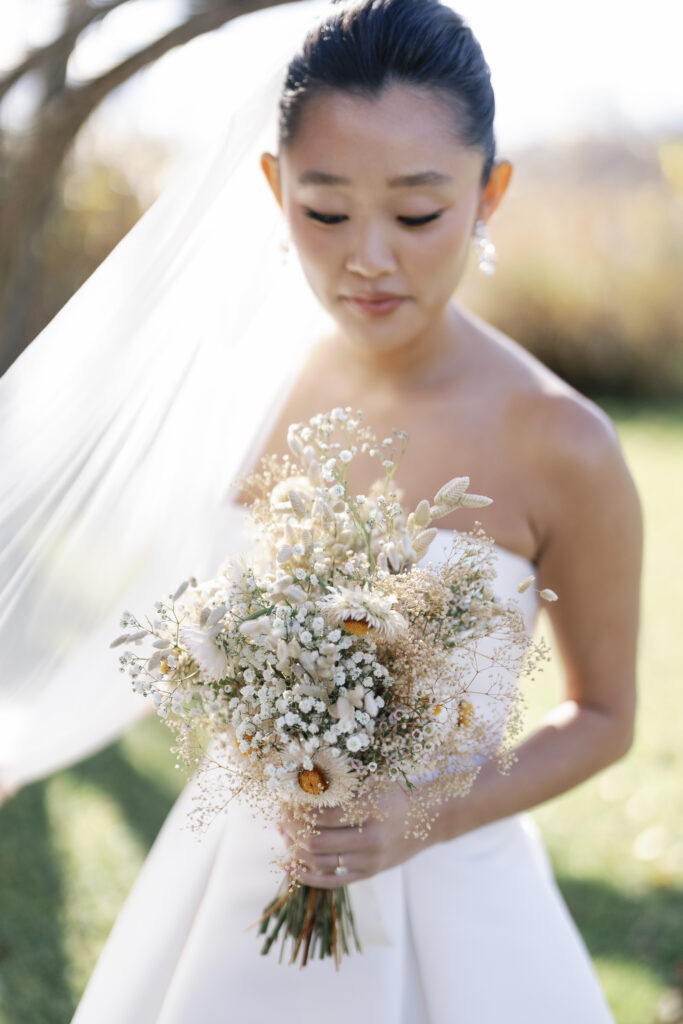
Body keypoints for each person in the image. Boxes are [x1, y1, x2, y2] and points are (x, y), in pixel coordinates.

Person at [0, 1, 641, 1021]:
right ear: (272, 189)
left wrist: (421, 815)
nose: (368, 258)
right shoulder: (240, 400)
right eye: (326, 211)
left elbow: (605, 718)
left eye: (417, 213)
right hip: (238, 880)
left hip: (464, 912)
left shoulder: (561, 443)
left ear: (488, 195)